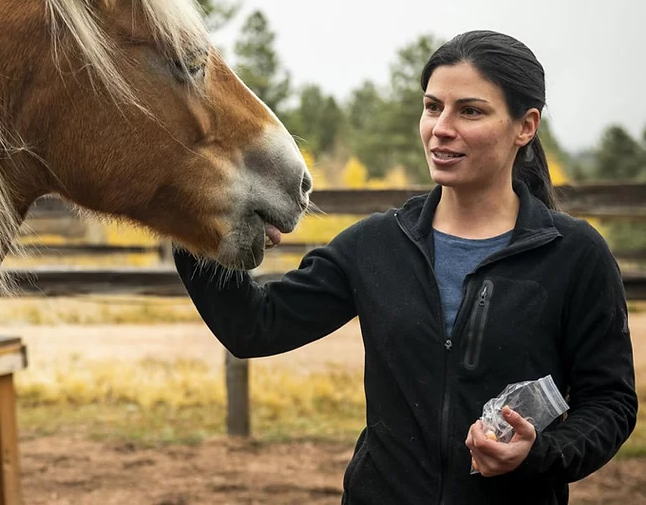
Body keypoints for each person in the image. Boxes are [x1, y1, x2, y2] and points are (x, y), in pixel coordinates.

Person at [174, 30, 637, 504]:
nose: (442, 127)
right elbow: (257, 325)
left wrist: (539, 454)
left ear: (525, 126)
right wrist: (190, 222)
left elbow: (610, 403)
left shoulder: (575, 254)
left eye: (470, 111)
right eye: (433, 107)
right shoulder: (377, 244)